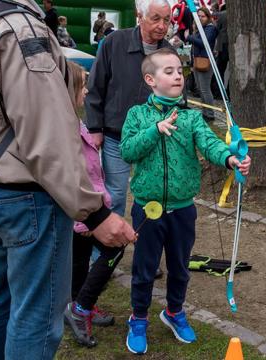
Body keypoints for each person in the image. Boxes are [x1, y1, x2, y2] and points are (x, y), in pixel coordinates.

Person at [0, 1, 136, 358]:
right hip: (27, 193)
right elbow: (48, 138)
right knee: (37, 312)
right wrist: (95, 214)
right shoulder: (18, 26)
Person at [120, 48, 252, 354]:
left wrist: (231, 158)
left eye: (180, 70)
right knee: (144, 268)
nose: (178, 75)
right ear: (150, 79)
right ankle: (138, 319)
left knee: (179, 267)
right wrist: (155, 130)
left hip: (182, 209)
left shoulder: (192, 117)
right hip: (148, 209)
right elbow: (127, 151)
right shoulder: (137, 115)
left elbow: (210, 145)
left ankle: (174, 312)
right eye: (169, 71)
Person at [86, 0, 172, 219]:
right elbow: (95, 87)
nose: (162, 26)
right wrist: (95, 128)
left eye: (166, 20)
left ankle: (144, 241)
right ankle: (107, 250)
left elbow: (175, 94)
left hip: (154, 137)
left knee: (151, 193)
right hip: (117, 136)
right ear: (139, 15)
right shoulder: (114, 42)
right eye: (156, 19)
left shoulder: (168, 52)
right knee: (114, 193)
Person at [62, 61, 125, 348]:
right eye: (81, 85)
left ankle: (78, 303)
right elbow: (70, 178)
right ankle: (80, 307)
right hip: (82, 213)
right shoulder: (64, 130)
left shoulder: (76, 122)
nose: (86, 91)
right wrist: (85, 219)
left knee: (80, 262)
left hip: (88, 210)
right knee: (115, 246)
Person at [187, 7, 218, 122]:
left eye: (202, 16)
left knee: (205, 89)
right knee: (200, 89)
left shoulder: (210, 28)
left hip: (206, 61)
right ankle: (205, 112)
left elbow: (204, 43)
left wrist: (189, 37)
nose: (200, 18)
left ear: (208, 16)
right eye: (198, 16)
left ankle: (209, 114)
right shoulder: (200, 29)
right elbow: (194, 47)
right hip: (197, 61)